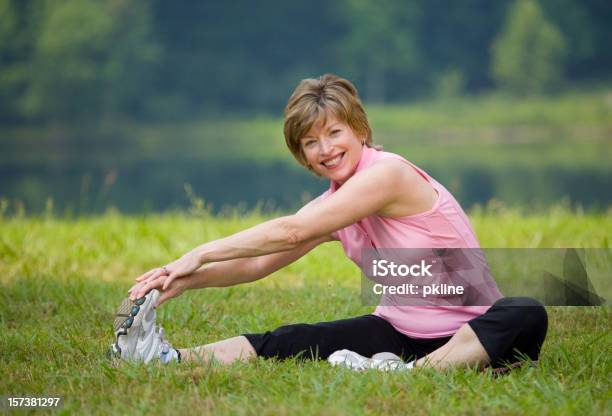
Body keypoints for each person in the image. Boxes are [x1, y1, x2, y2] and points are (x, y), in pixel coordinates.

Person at [110, 74, 548, 371]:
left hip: (472, 337)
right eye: (310, 142)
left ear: (359, 128)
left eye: (334, 133)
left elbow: (291, 230)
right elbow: (260, 263)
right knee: (288, 339)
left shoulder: (388, 175)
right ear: (302, 155)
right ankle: (167, 359)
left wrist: (199, 252)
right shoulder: (336, 203)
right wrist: (183, 280)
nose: (325, 149)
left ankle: (413, 375)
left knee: (525, 311)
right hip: (399, 333)